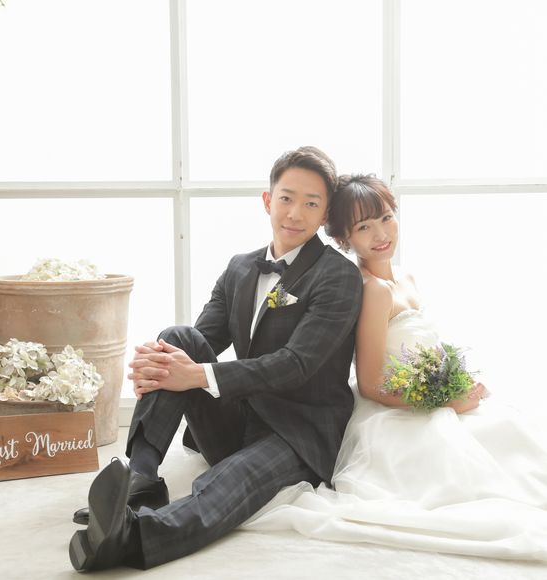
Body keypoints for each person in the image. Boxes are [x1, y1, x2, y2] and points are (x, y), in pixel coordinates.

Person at [68, 147, 363, 571]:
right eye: (286, 198)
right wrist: (156, 363)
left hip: (298, 431)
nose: (295, 213)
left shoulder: (339, 275)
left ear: (325, 213)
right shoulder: (240, 268)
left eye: (311, 203)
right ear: (268, 200)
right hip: (237, 419)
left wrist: (197, 375)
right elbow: (200, 340)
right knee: (176, 338)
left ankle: (134, 538)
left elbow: (296, 364)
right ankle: (143, 477)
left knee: (228, 482)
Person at [241, 173, 547, 562]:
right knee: (480, 472)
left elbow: (424, 347)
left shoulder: (405, 276)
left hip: (424, 392)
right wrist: (445, 402)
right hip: (392, 411)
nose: (380, 234)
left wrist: (454, 382)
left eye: (386, 217)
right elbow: (371, 384)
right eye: (363, 227)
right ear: (343, 239)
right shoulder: (373, 289)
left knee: (513, 435)